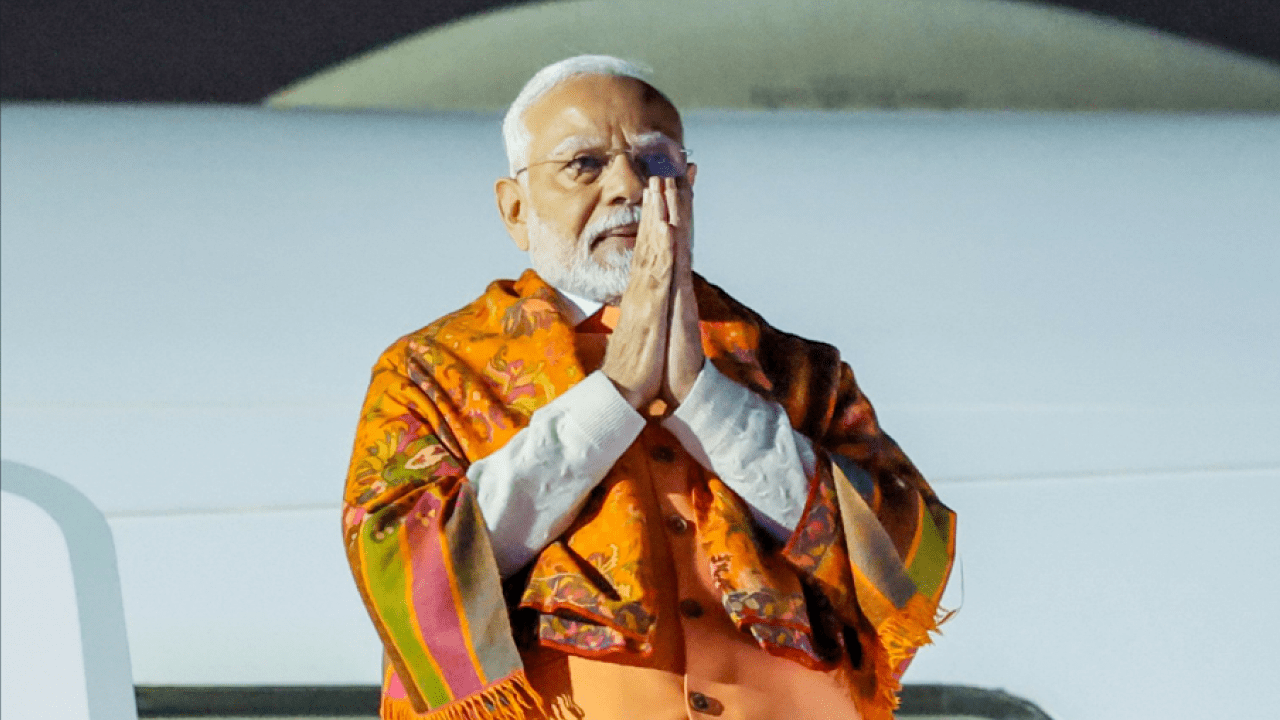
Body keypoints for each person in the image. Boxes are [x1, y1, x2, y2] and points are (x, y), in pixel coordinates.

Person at [342, 55, 955, 720]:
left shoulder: (796, 367)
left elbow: (907, 558)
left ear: (688, 185)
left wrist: (706, 398)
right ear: (515, 209)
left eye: (654, 161)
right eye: (584, 164)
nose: (627, 186)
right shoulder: (435, 370)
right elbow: (403, 567)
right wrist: (613, 397)